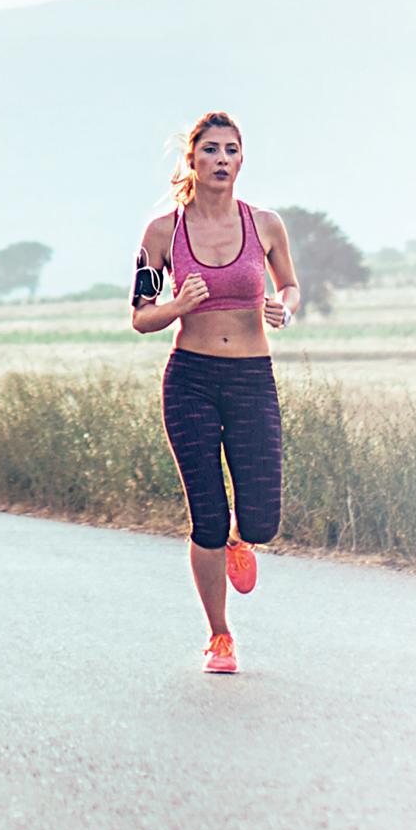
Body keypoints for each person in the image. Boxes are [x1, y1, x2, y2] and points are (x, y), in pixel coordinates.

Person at [132, 111, 300, 674]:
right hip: (190, 381)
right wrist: (178, 306)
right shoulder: (163, 233)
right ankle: (219, 636)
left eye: (232, 150)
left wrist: (285, 307)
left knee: (259, 522)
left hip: (252, 380)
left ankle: (241, 540)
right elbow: (140, 317)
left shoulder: (266, 225)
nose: (222, 159)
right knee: (206, 514)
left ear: (241, 160)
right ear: (193, 160)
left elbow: (291, 286)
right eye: (211, 150)